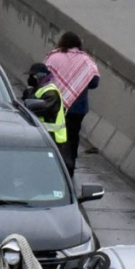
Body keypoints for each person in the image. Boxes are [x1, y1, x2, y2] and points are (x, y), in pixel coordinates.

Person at [43, 31, 100, 169]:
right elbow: (94, 83)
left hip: (54, 106)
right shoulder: (86, 61)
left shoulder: (54, 57)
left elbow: (43, 79)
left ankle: (53, 166)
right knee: (73, 137)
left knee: (54, 137)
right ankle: (70, 167)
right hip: (77, 108)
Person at [22, 64, 69, 165]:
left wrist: (30, 92)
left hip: (53, 138)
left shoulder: (51, 92)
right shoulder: (39, 89)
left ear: (40, 76)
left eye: (33, 76)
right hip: (43, 135)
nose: (30, 79)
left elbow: (35, 109)